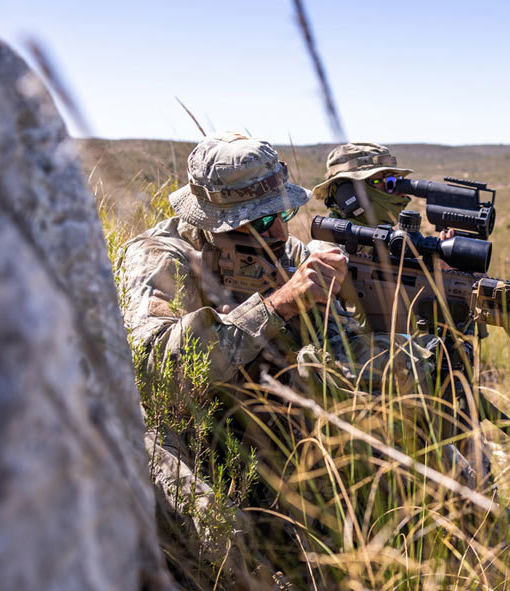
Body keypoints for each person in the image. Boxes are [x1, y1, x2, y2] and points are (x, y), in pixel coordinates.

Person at [120, 131, 476, 483]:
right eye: (260, 221)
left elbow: (340, 349)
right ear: (212, 221)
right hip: (192, 440)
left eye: (283, 213)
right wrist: (277, 305)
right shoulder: (160, 257)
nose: (278, 232)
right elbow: (155, 370)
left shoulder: (284, 252)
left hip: (273, 427)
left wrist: (421, 349)